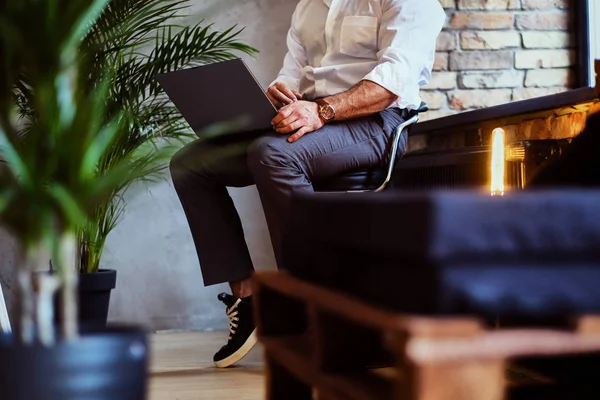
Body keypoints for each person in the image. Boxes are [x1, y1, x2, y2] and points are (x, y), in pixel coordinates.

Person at [169, 0, 446, 368]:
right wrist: (278, 93)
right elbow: (293, 73)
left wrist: (322, 110)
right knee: (190, 164)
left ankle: (315, 309)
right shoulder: (308, 7)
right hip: (314, 118)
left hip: (378, 122)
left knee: (273, 155)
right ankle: (248, 298)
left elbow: (393, 82)